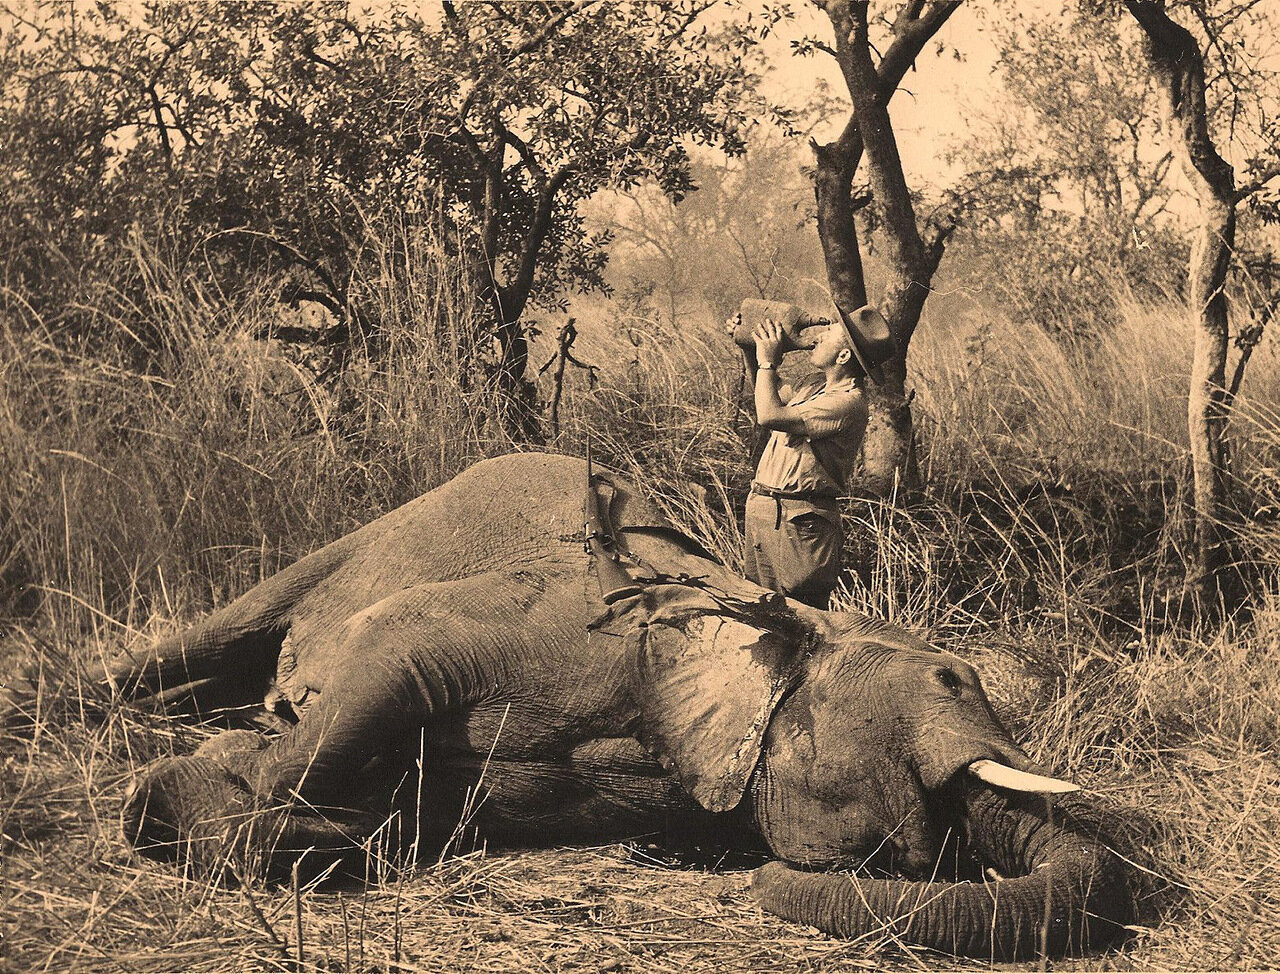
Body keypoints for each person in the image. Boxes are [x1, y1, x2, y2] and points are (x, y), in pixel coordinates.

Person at [734, 304, 896, 608]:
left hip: (799, 522)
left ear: (844, 356)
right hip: (768, 509)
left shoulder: (847, 404)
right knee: (760, 612)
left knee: (801, 620)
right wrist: (751, 346)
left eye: (829, 334)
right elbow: (768, 393)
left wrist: (768, 362)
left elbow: (768, 414)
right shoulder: (814, 385)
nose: (818, 337)